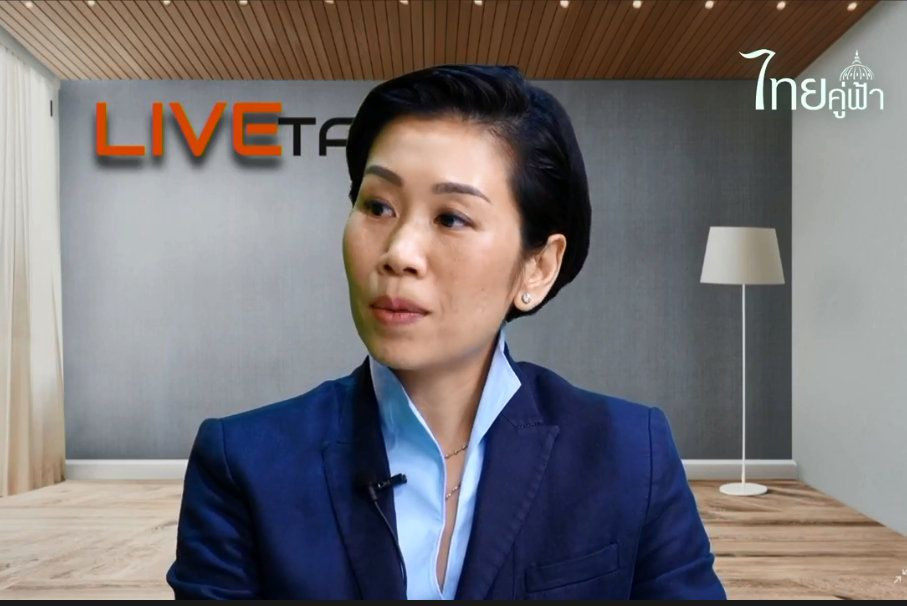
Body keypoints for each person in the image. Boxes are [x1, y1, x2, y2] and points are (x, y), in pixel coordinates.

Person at [166, 64, 727, 600]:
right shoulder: (243, 462)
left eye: (451, 218)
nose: (399, 253)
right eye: (377, 206)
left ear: (537, 268)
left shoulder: (630, 453)